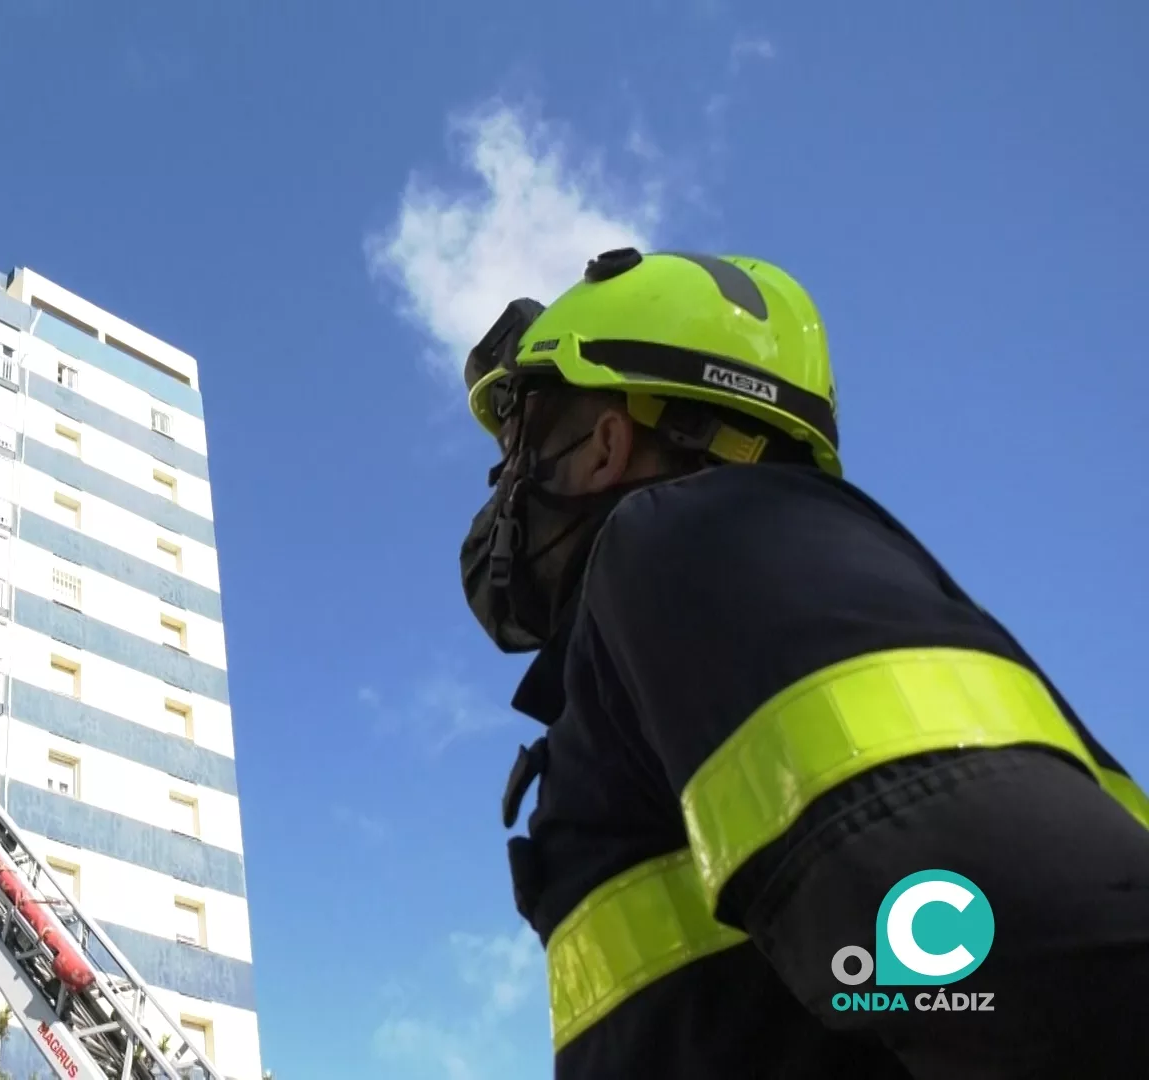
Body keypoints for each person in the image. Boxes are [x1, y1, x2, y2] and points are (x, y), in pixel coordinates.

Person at [458, 248, 1149, 1079]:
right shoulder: (676, 635)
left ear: (608, 443)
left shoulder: (688, 544)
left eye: (522, 446)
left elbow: (1041, 957)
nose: (505, 490)